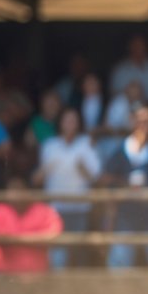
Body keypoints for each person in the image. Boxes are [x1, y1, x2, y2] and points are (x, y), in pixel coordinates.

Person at [98, 103, 148, 270]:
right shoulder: (122, 149)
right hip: (126, 215)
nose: (144, 125)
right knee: (118, 264)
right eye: (140, 121)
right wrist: (123, 183)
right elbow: (104, 178)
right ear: (133, 122)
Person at [32, 106, 100, 269]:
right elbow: (38, 179)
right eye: (67, 120)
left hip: (80, 208)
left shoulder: (86, 144)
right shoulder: (50, 145)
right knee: (57, 252)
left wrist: (82, 167)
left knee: (77, 252)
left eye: (74, 120)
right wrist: (46, 169)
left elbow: (95, 178)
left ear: (78, 123)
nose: (70, 123)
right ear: (60, 123)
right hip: (56, 208)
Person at [0, 177, 62, 274]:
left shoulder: (44, 211)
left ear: (28, 192)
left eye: (20, 190)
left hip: (38, 275)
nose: (16, 195)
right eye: (12, 191)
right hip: (5, 276)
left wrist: (18, 240)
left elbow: (54, 235)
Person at [108, 35, 148, 106]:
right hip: (126, 112)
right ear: (129, 47)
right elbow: (114, 95)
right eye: (135, 46)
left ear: (147, 47)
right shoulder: (120, 70)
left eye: (141, 46)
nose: (138, 49)